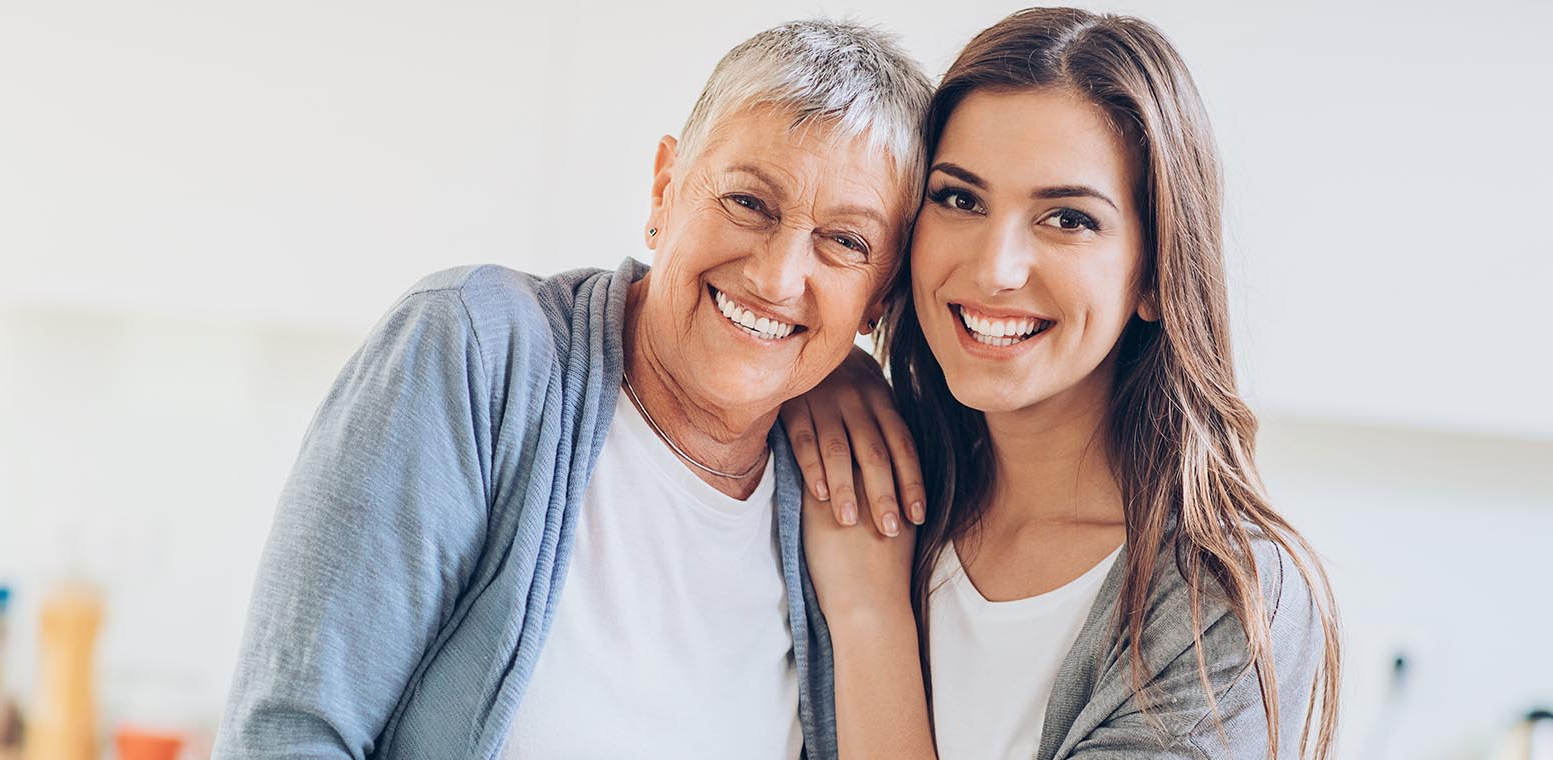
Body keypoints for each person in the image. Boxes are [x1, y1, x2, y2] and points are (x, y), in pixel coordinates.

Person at [211, 19, 932, 760]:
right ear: (666, 190)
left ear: (879, 297)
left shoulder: (851, 486)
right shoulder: (475, 349)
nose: (778, 276)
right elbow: (290, 735)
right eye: (749, 202)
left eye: (845, 242)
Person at [780, 8, 1342, 759]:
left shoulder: (1225, 608)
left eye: (1068, 219)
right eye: (959, 198)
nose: (994, 268)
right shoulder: (859, 472)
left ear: (1154, 276)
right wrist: (812, 360)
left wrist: (870, 613)